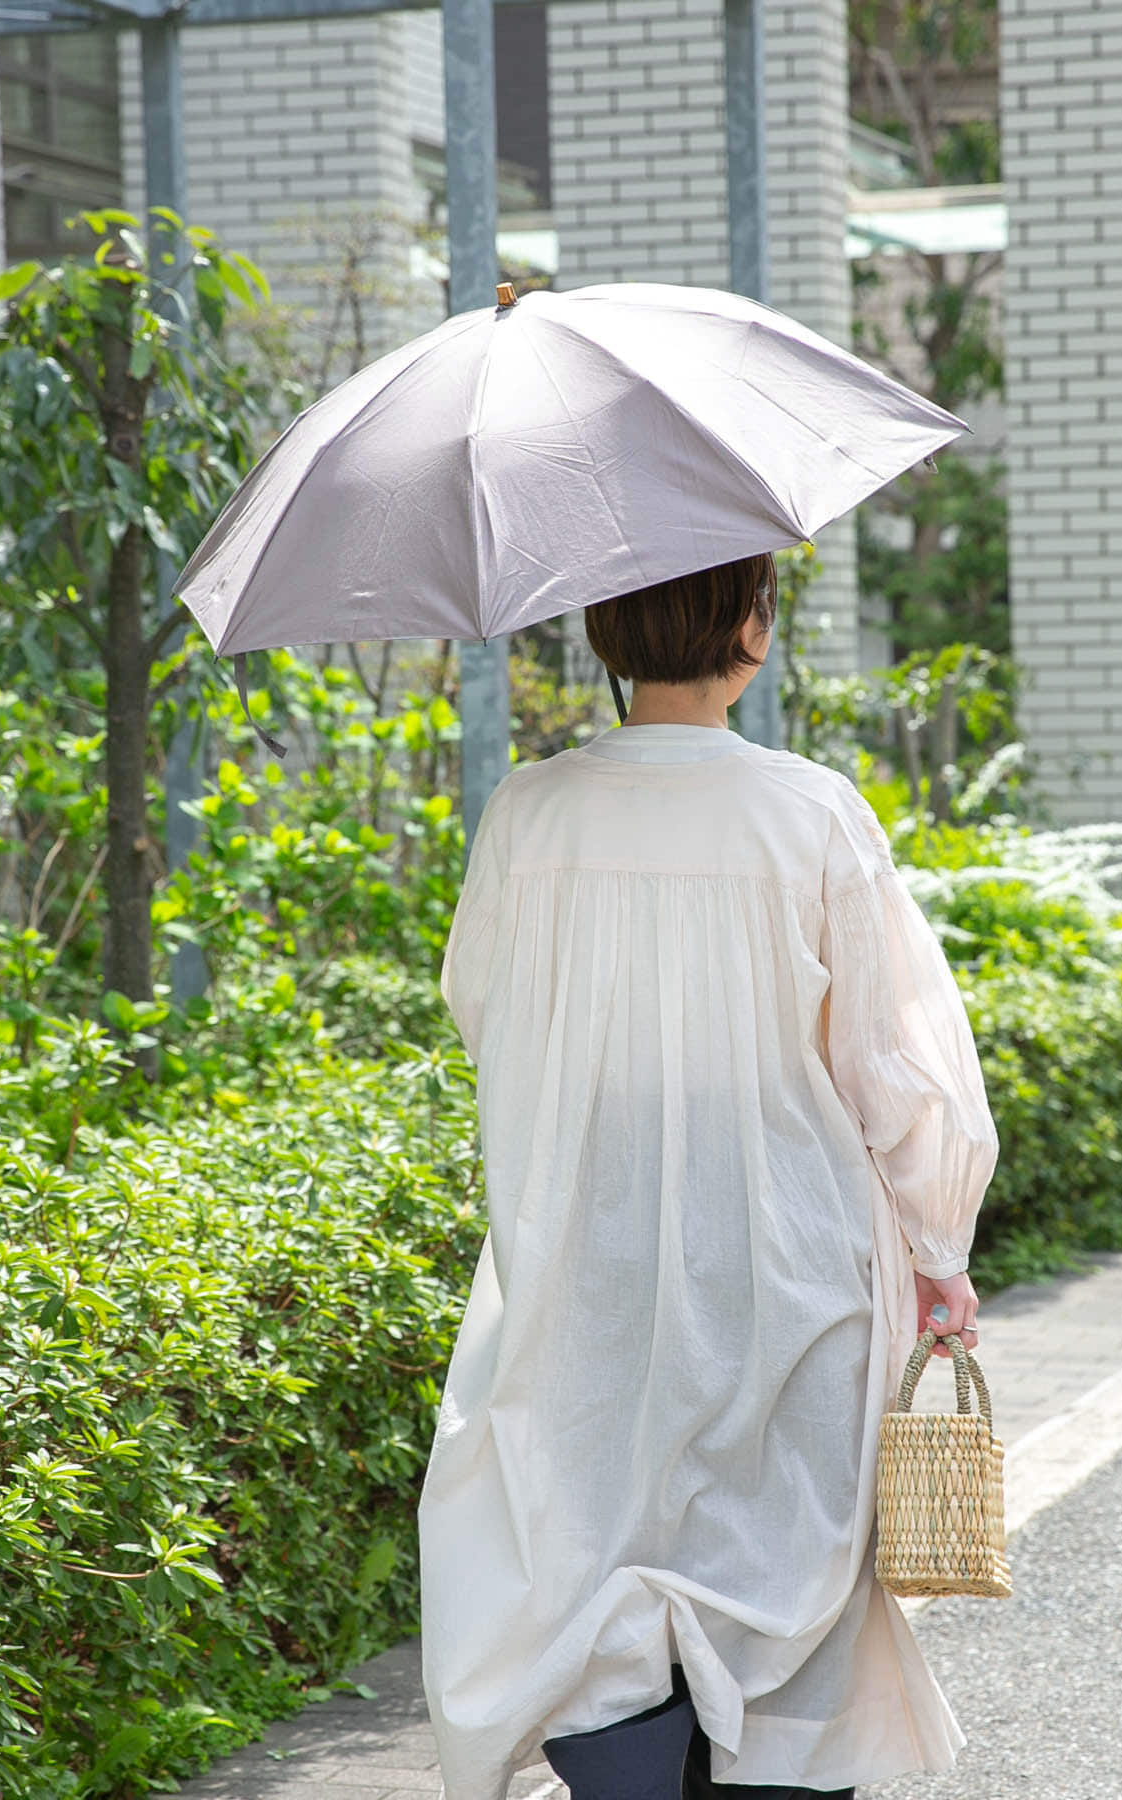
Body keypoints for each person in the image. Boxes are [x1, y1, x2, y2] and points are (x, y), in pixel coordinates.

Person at [418, 552, 999, 1800]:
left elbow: (483, 1008)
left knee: (591, 1564)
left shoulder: (530, 811)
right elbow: (897, 1062)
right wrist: (939, 1253)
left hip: (590, 1259)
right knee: (786, 1581)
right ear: (750, 625)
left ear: (603, 629)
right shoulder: (808, 811)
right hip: (788, 1262)